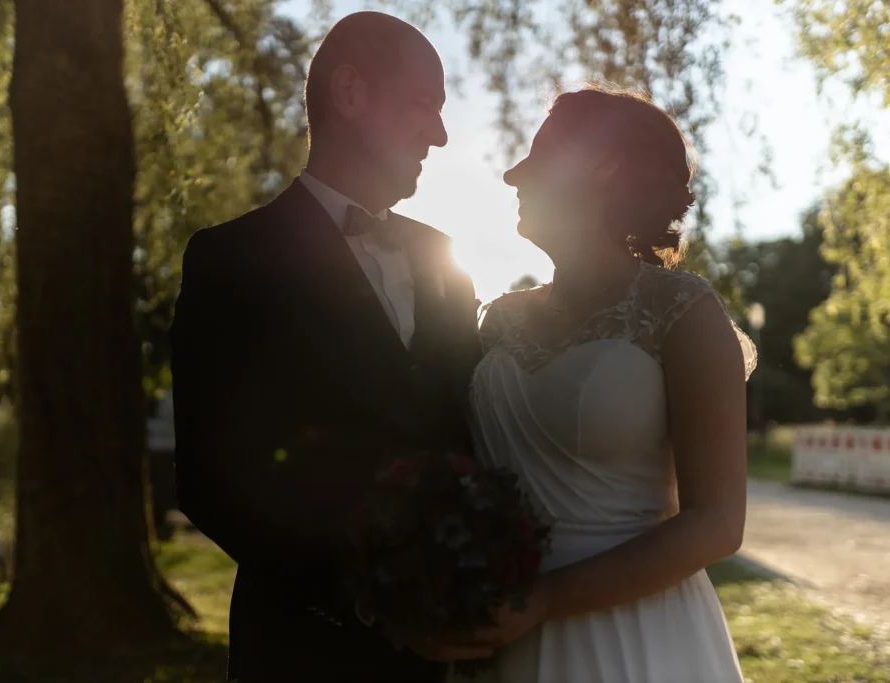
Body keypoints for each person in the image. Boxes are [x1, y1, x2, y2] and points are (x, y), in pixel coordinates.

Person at [169, 11, 484, 682]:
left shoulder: (445, 255)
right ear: (349, 94)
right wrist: (369, 603)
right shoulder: (232, 259)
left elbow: (463, 432)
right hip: (301, 649)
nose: (440, 132)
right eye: (422, 104)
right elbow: (208, 477)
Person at [454, 86, 756, 682]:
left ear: (604, 167)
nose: (514, 175)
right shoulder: (500, 319)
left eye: (538, 156)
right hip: (498, 634)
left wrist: (543, 600)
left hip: (637, 637)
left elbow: (718, 523)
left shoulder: (682, 310)